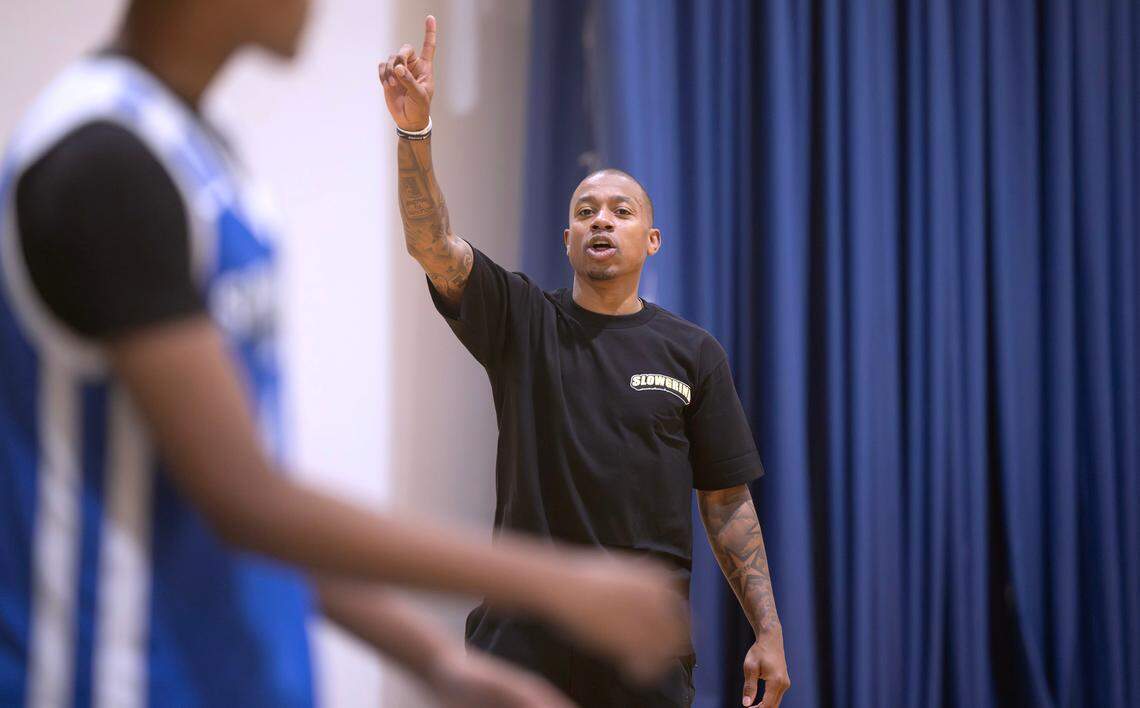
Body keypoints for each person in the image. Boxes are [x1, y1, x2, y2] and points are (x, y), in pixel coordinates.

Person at [0, 1, 691, 706]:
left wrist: (433, 658)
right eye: (586, 211)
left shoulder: (199, 156)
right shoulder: (104, 163)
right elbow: (245, 500)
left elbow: (240, 499)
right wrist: (559, 585)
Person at [380, 15, 793, 708]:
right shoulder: (520, 319)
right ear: (566, 235)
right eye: (587, 209)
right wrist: (415, 131)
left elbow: (727, 508)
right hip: (521, 646)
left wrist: (769, 632)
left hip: (642, 653)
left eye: (621, 210)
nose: (602, 219)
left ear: (652, 238)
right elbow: (433, 244)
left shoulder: (693, 353)